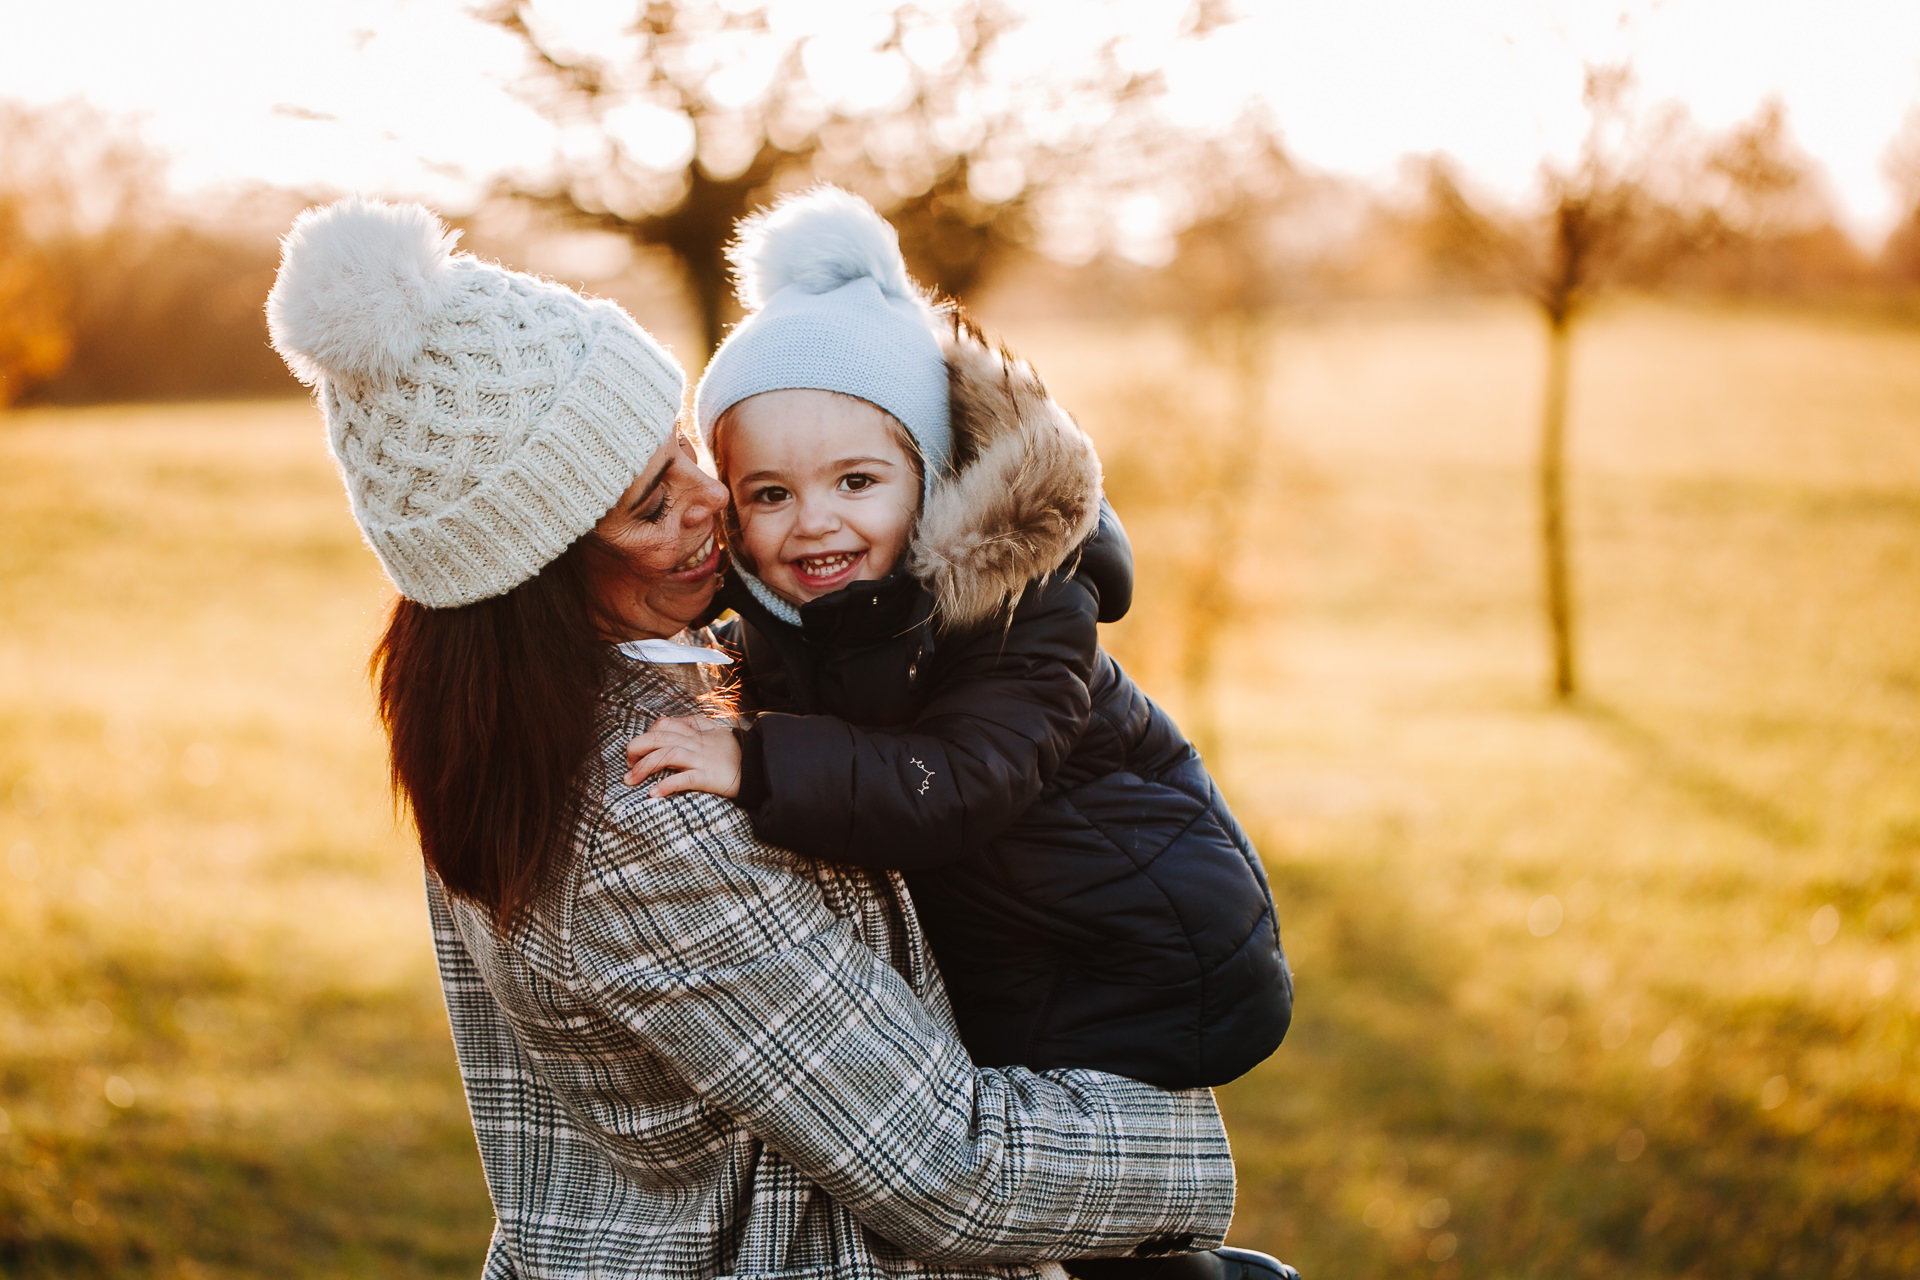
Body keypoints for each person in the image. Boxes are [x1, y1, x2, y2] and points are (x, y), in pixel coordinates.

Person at [266, 195, 1244, 1280]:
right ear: (530, 581)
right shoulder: (639, 811)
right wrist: (1186, 1148)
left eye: (686, 445)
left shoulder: (565, 708)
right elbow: (951, 1167)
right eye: (650, 503)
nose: (713, 500)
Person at [625, 188, 1296, 1280]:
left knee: (1084, 1213)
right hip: (1019, 932)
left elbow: (961, 780)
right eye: (770, 493)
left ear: (929, 480)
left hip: (1134, 954)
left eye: (855, 481)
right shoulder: (798, 602)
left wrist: (755, 758)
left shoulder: (1028, 609)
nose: (814, 522)